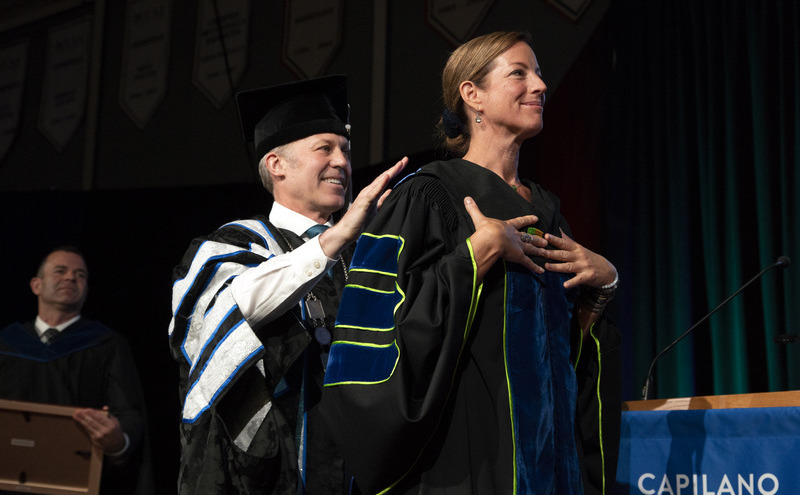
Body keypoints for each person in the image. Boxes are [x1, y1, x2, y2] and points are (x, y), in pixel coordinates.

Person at [320, 31, 621, 494]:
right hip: (467, 460)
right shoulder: (428, 194)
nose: (540, 86)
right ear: (472, 94)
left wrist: (602, 286)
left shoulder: (547, 209)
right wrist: (476, 254)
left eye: (539, 73)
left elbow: (562, 353)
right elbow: (375, 331)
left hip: (551, 466)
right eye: (519, 73)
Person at [168, 75, 407, 494]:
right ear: (276, 164)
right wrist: (335, 238)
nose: (342, 163)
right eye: (325, 149)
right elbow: (237, 306)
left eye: (346, 151)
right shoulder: (231, 246)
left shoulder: (363, 255)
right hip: (270, 477)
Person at [0, 246, 154, 495]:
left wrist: (118, 440)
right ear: (36, 285)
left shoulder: (106, 345)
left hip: (78, 483)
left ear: (86, 291)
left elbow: (128, 412)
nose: (71, 278)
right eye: (60, 271)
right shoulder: (6, 344)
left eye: (80, 275)